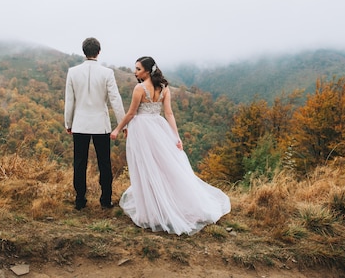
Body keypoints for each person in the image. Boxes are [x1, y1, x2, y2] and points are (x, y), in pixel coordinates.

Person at [111, 56, 230, 235]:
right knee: (164, 167)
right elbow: (169, 114)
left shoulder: (139, 88)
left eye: (138, 69)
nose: (135, 72)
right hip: (159, 128)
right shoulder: (164, 88)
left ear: (147, 71)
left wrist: (117, 129)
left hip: (142, 130)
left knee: (147, 167)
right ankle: (162, 205)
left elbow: (130, 114)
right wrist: (175, 136)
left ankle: (152, 211)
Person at [64, 37, 126, 210]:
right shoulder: (107, 73)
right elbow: (115, 100)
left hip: (80, 124)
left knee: (79, 163)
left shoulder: (72, 72)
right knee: (104, 163)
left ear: (84, 52)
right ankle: (105, 200)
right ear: (99, 51)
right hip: (101, 124)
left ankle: (80, 200)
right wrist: (123, 125)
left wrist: (68, 123)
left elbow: (70, 101)